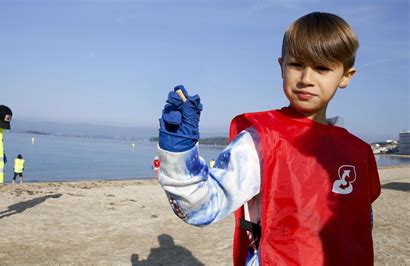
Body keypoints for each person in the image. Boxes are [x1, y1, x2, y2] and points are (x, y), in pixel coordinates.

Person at [157, 12, 381, 265]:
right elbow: (199, 207)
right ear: (281, 65)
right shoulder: (260, 141)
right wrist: (178, 151)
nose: (306, 79)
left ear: (345, 76)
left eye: (321, 68)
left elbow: (362, 222)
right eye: (297, 65)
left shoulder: (359, 152)